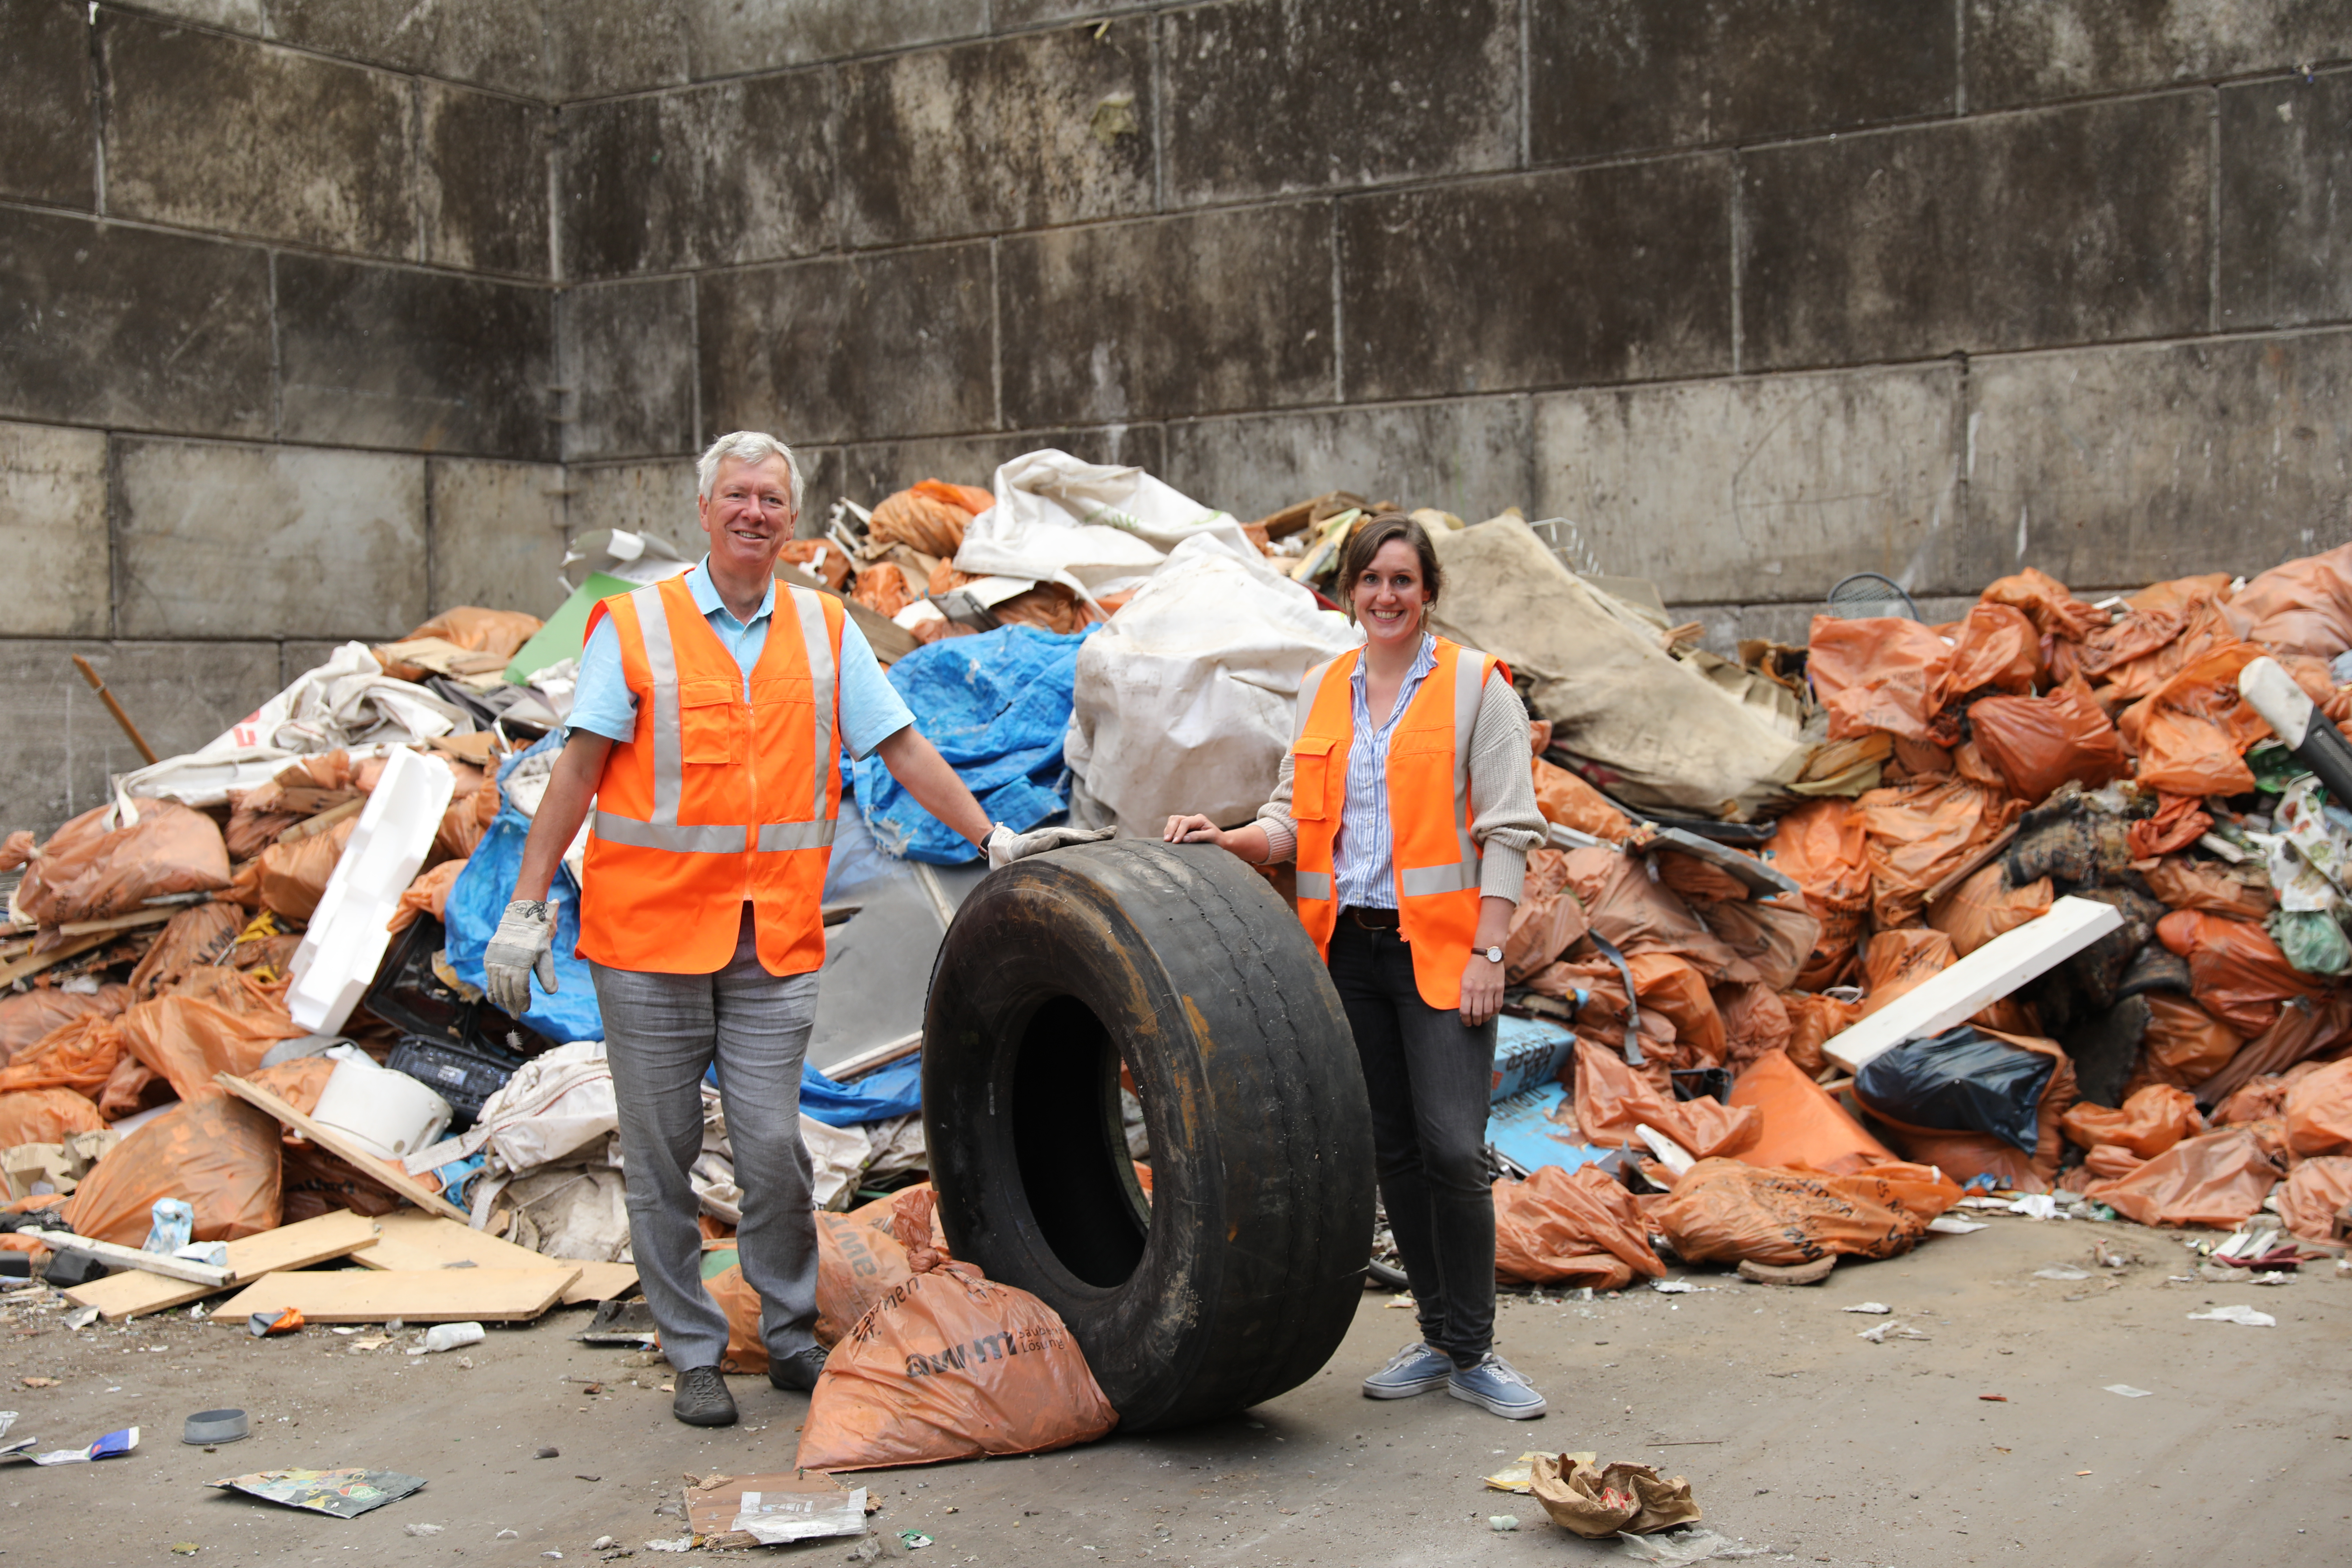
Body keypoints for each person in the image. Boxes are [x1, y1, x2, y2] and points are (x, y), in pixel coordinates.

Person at [483, 431, 1090, 1428]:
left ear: (793, 519)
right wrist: (524, 907)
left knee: (772, 1149)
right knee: (665, 1152)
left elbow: (899, 746)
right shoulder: (635, 626)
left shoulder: (825, 630)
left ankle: (792, 1331)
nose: (755, 512)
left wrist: (992, 838)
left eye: (772, 497)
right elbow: (578, 771)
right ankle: (692, 1353)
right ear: (706, 510)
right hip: (649, 945)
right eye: (738, 496)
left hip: (771, 940)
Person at [1162, 513, 1549, 1419]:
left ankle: (1477, 1347)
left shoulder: (1473, 688)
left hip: (1446, 953)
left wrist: (1493, 950)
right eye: (1371, 580)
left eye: (1403, 581)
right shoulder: (1325, 689)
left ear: (1429, 593)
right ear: (1347, 590)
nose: (1386, 596)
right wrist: (1232, 838)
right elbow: (1297, 819)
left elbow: (1508, 829)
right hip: (1350, 955)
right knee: (1396, 1152)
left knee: (1454, 1148)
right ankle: (1438, 1333)